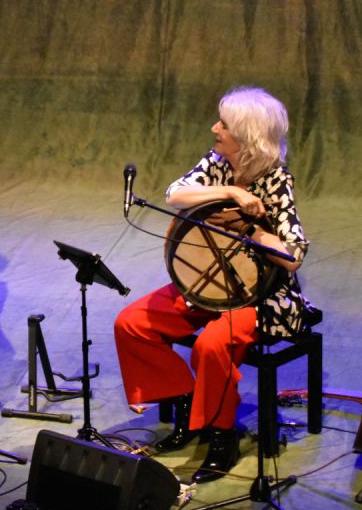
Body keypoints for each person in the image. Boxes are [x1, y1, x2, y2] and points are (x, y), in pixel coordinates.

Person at [114, 86, 309, 483]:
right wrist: (231, 192)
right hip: (208, 284)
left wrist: (255, 230)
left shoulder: (276, 181)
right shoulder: (218, 161)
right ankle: (187, 405)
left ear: (247, 136)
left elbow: (294, 254)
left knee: (212, 344)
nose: (214, 128)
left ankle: (223, 438)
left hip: (258, 296)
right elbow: (174, 194)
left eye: (224, 124)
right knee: (132, 323)